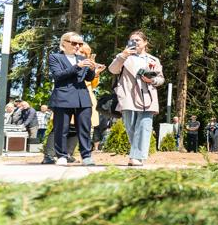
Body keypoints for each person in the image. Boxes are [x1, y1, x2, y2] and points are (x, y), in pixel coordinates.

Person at [108, 30, 165, 167]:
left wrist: (152, 80)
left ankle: (136, 157)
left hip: (147, 95)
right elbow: (113, 70)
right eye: (132, 40)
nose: (135, 42)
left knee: (145, 125)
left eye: (138, 40)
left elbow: (161, 78)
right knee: (130, 126)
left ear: (145, 42)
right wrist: (122, 56)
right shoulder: (124, 57)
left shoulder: (153, 60)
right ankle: (136, 154)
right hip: (128, 95)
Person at [48, 32, 97, 166]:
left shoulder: (82, 58)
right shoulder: (55, 57)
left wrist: (92, 69)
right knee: (61, 128)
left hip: (82, 97)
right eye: (74, 43)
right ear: (64, 43)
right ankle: (62, 156)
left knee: (84, 128)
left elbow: (88, 78)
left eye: (80, 44)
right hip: (63, 97)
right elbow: (58, 75)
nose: (77, 46)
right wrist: (77, 66)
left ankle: (86, 156)